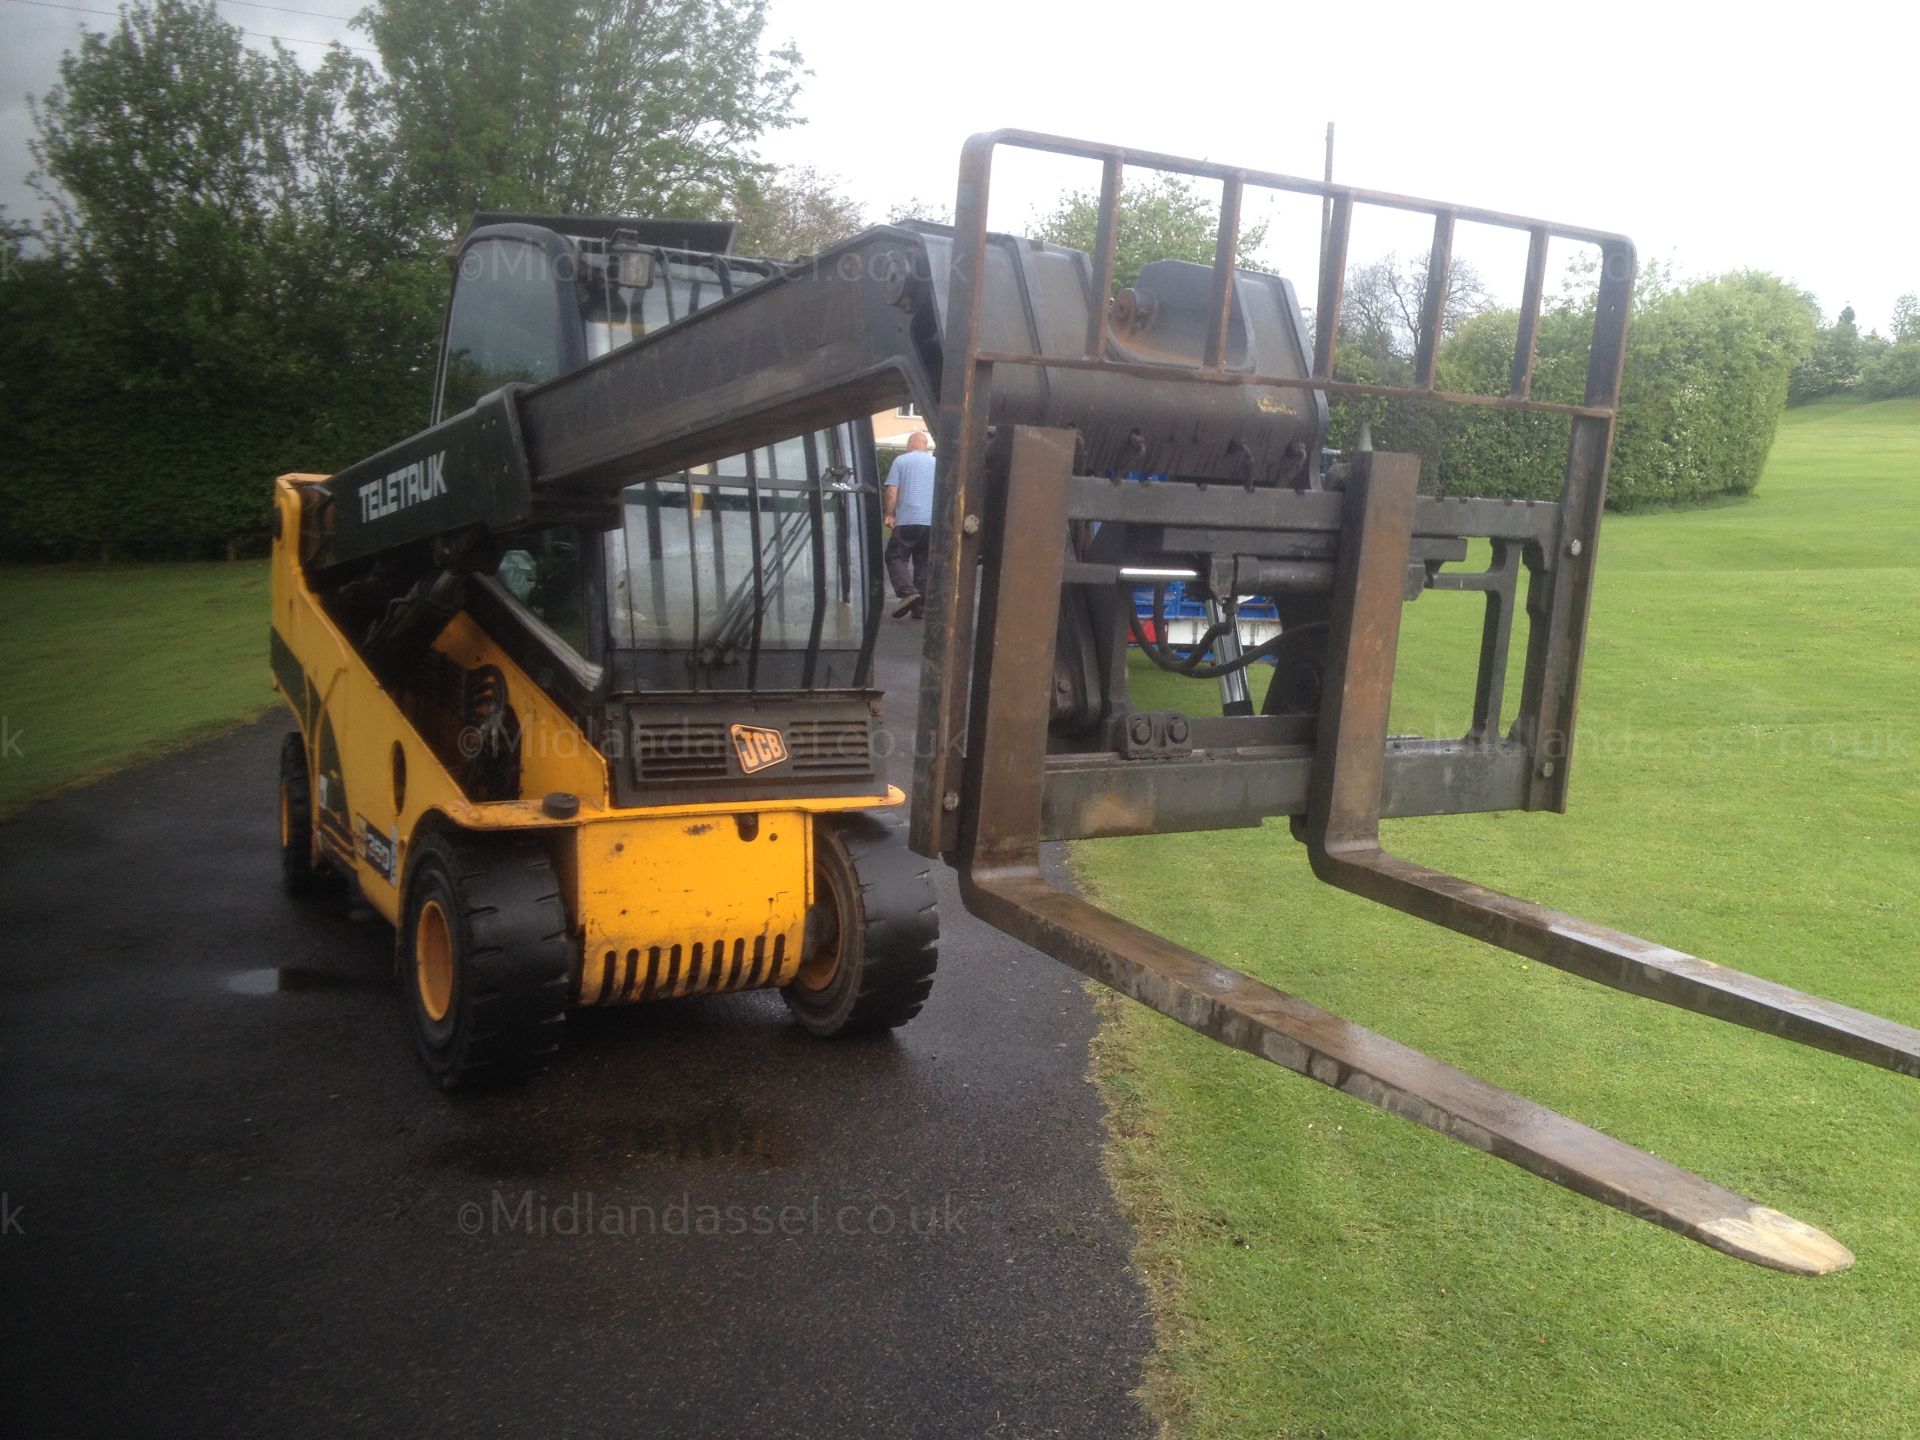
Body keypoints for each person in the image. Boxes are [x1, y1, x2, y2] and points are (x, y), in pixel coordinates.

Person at [882, 430, 936, 618]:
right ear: (926, 446)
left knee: (894, 556)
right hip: (931, 522)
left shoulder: (901, 461)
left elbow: (891, 491)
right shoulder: (937, 463)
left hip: (907, 520)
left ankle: (907, 592)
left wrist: (889, 514)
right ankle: (920, 608)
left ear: (910, 445)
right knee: (924, 562)